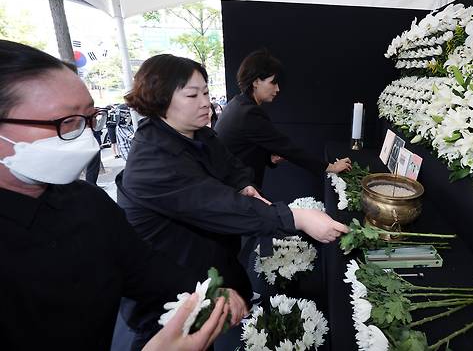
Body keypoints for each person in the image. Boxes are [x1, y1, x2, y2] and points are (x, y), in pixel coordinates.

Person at [0, 40, 230, 350]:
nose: (86, 138)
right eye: (66, 123)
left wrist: (209, 294)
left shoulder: (87, 202)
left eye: (89, 119)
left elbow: (144, 269)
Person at [116, 54, 349, 349]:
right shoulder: (153, 160)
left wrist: (245, 186)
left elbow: (231, 167)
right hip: (165, 292)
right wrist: (297, 217)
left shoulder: (197, 132)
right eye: (192, 95)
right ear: (160, 99)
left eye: (205, 92)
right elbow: (216, 204)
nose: (205, 102)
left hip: (199, 270)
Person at [214, 49, 351, 188]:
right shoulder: (248, 113)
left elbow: (244, 150)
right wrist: (331, 167)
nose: (278, 89)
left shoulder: (237, 104)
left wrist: (269, 158)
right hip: (235, 190)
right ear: (256, 82)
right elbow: (288, 148)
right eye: (273, 82)